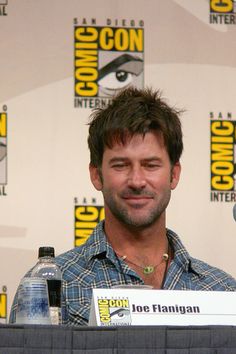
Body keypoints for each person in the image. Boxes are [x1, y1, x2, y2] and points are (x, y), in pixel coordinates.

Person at [10, 87, 236, 325]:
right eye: (120, 165)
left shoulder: (223, 291)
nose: (137, 181)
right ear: (97, 175)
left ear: (174, 175)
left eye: (151, 165)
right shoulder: (51, 288)